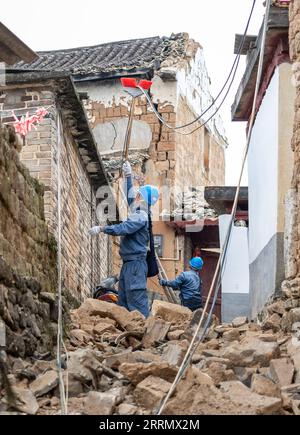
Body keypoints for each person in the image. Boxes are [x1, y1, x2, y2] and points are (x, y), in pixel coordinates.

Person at [88, 161, 159, 318]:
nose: (136, 195)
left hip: (136, 265)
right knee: (124, 302)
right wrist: (128, 177)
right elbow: (130, 197)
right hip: (129, 265)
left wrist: (102, 228)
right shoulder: (140, 210)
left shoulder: (140, 216)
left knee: (137, 302)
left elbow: (123, 228)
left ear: (144, 198)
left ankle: (146, 333)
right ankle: (129, 337)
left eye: (139, 193)